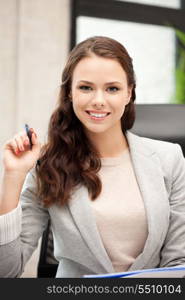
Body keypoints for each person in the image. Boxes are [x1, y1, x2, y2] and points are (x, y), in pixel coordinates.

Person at [0, 36, 185, 278]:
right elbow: (7, 272)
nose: (98, 101)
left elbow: (178, 264)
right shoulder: (48, 164)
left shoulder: (169, 159)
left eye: (112, 88)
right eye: (86, 87)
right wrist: (13, 176)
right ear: (69, 93)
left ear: (129, 93)